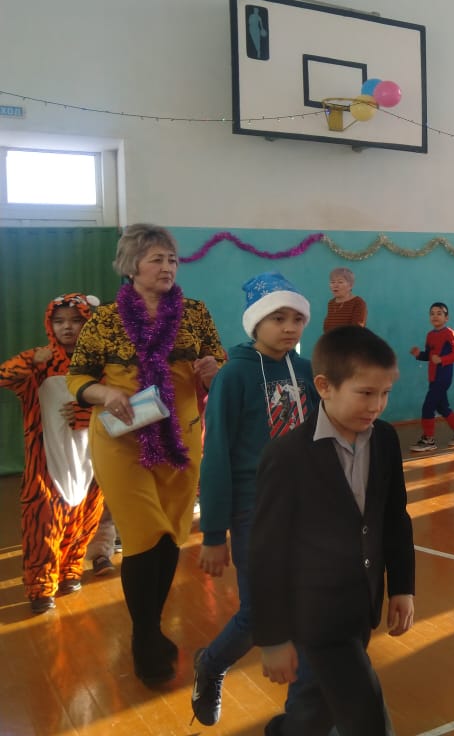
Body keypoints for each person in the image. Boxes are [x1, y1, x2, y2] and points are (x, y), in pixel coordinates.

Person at [67, 223, 225, 685]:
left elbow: (219, 366)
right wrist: (103, 393)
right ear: (131, 265)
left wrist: (213, 369)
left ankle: (150, 626)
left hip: (181, 437)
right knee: (144, 534)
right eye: (157, 258)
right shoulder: (105, 319)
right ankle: (145, 637)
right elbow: (79, 377)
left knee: (169, 534)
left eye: (172, 259)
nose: (167, 266)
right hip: (122, 440)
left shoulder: (195, 313)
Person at [250, 326, 415, 736]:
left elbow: (395, 517)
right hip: (316, 616)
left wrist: (402, 586)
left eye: (385, 393)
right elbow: (266, 553)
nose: (377, 405)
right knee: (367, 718)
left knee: (317, 704)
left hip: (362, 606)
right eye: (365, 393)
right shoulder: (287, 456)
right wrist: (272, 638)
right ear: (324, 386)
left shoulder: (385, 440)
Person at [192, 272, 319, 727]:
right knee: (258, 611)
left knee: (308, 605)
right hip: (254, 511)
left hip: (306, 509)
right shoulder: (234, 374)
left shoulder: (308, 372)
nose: (289, 327)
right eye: (278, 318)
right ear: (255, 322)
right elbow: (217, 455)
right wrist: (214, 533)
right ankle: (211, 664)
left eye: (297, 319)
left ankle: (302, 718)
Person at [0, 293, 105, 614]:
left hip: (93, 461)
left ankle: (70, 569)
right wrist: (31, 361)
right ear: (50, 325)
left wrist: (88, 414)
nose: (67, 328)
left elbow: (124, 406)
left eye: (75, 321)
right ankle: (40, 586)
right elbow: (4, 376)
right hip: (46, 461)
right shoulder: (40, 363)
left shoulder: (102, 364)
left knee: (84, 520)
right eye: (59, 321)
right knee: (43, 525)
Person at [408, 301, 454, 452]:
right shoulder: (430, 335)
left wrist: (442, 360)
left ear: (446, 317)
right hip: (433, 377)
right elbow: (429, 356)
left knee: (428, 406)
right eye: (432, 313)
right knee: (442, 407)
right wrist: (419, 355)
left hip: (443, 378)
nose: (435, 316)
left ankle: (428, 440)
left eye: (439, 313)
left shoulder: (449, 333)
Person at [322, 267, 367, 333]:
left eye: (340, 282)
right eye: (332, 282)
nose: (335, 285)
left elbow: (357, 329)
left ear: (350, 285)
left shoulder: (358, 302)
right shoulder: (331, 303)